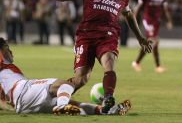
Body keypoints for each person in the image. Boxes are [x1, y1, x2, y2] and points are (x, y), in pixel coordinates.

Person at [56, 0, 152, 114]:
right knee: (81, 79)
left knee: (109, 62)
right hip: (85, 36)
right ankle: (56, 97)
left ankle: (108, 98)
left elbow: (128, 14)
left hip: (108, 36)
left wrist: (141, 38)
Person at [0, 37, 131, 115]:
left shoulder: (4, 76)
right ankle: (61, 107)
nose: (10, 51)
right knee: (65, 85)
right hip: (23, 91)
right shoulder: (2, 63)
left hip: (23, 105)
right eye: (7, 47)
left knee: (74, 105)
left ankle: (106, 111)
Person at [131, 0, 172, 73]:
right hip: (148, 19)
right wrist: (134, 16)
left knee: (153, 42)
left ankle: (153, 66)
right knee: (153, 40)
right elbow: (139, 6)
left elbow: (165, 8)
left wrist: (168, 21)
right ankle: (139, 63)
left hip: (156, 21)